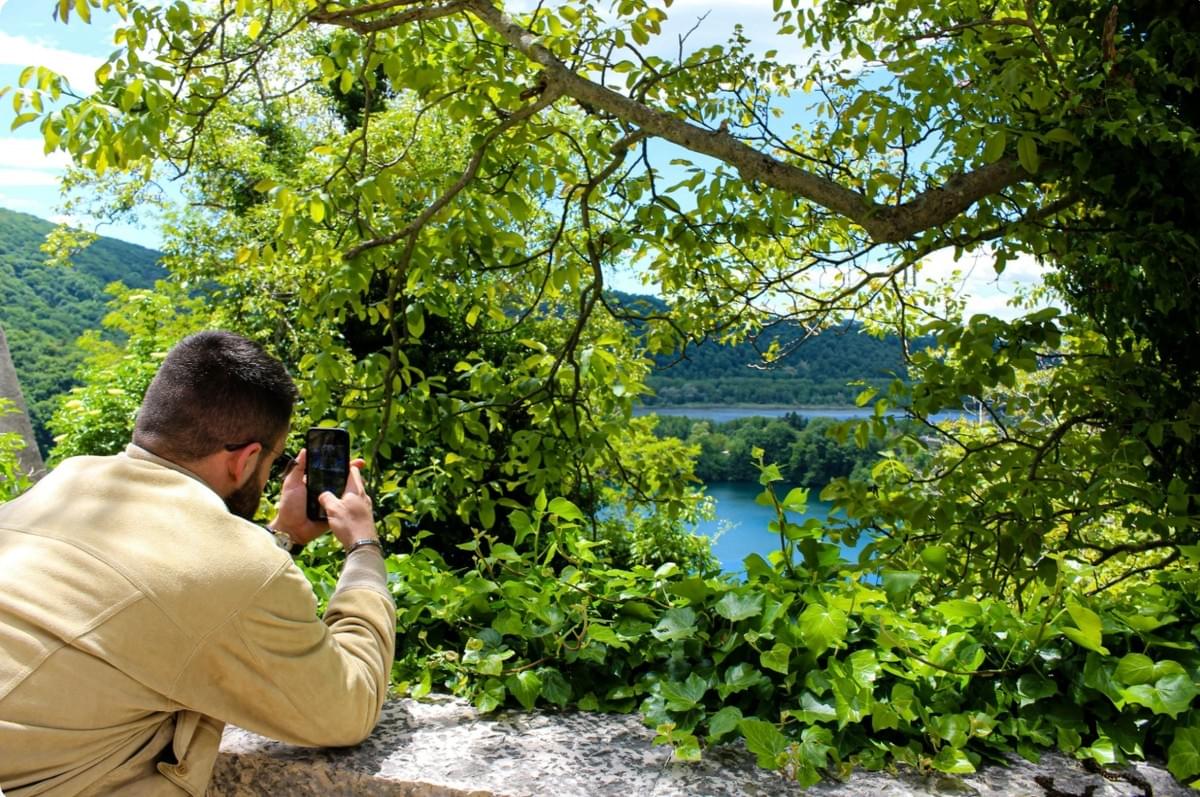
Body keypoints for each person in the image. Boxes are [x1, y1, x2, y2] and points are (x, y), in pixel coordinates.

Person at [0, 331, 396, 795]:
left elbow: (173, 594)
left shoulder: (61, 485)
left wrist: (282, 536)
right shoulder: (239, 568)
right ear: (246, 460)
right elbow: (348, 707)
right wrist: (363, 546)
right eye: (272, 461)